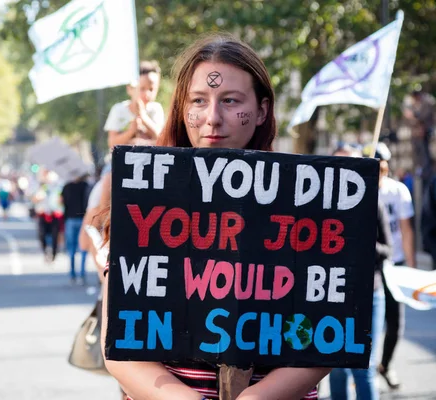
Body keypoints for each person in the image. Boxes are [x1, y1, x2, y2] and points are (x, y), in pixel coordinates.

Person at [100, 34, 326, 400]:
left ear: (262, 110)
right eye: (199, 101)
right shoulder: (146, 203)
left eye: (231, 101)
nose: (212, 119)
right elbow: (121, 352)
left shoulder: (308, 208)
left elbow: (321, 337)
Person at [328, 144, 390, 400]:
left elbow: (388, 249)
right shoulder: (319, 205)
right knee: (334, 369)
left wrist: (364, 243)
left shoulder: (373, 202)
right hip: (330, 295)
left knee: (362, 367)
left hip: (367, 296)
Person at [368, 142, 415, 390]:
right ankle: (363, 366)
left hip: (393, 262)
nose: (378, 173)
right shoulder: (360, 189)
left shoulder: (397, 191)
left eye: (382, 169)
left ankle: (386, 364)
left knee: (396, 320)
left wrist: (411, 264)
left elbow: (406, 229)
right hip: (370, 267)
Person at [105, 60, 165, 149]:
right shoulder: (118, 109)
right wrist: (131, 131)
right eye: (142, 89)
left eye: (151, 89)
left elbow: (162, 139)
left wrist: (143, 117)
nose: (147, 94)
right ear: (130, 89)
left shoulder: (156, 109)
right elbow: (112, 143)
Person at [61, 175, 90, 285]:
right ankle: (82, 274)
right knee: (83, 248)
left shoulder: (67, 187)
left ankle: (72, 274)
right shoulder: (85, 186)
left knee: (71, 249)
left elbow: (63, 203)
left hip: (70, 219)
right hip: (83, 219)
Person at [32, 170, 64, 263]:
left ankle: (54, 253)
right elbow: (34, 199)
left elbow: (60, 200)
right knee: (41, 235)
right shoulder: (40, 187)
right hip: (43, 214)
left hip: (54, 214)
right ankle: (45, 251)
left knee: (55, 235)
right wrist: (37, 199)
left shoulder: (57, 187)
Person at [404, 90, 435, 181]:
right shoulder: (414, 105)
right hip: (420, 135)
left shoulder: (426, 103)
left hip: (429, 175)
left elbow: (422, 117)